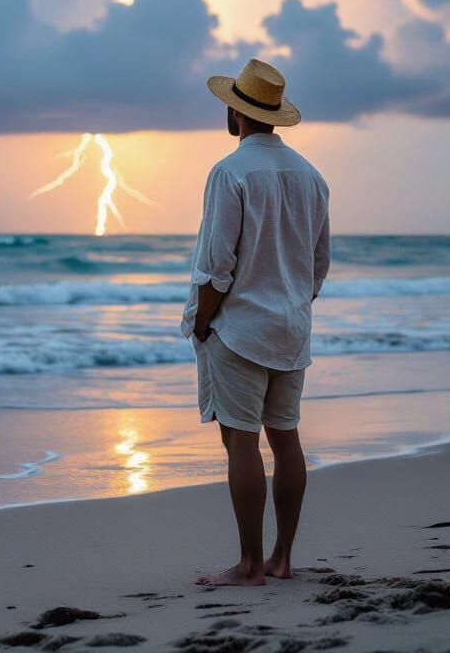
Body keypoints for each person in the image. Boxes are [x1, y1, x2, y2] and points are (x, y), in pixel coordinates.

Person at [180, 57, 331, 587]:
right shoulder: (311, 176)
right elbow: (318, 264)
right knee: (285, 439)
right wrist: (293, 301)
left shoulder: (229, 172)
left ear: (233, 112)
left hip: (241, 328)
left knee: (241, 443)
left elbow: (217, 266)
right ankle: (282, 558)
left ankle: (248, 565)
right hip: (291, 326)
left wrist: (202, 322)